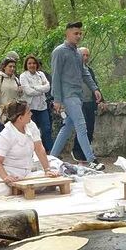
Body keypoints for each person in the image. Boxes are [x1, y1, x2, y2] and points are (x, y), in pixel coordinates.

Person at [49, 21, 105, 171]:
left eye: (80, 33)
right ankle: (92, 159)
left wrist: (95, 89)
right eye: (75, 33)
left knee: (67, 126)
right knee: (81, 125)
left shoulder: (78, 53)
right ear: (67, 34)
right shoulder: (59, 52)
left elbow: (85, 72)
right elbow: (56, 76)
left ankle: (51, 158)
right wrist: (57, 100)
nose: (78, 36)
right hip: (67, 95)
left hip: (78, 95)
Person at [0, 100, 60, 196]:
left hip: (27, 174)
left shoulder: (31, 125)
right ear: (20, 118)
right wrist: (6, 177)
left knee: (52, 181)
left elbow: (39, 148)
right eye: (28, 113)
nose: (31, 114)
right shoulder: (6, 134)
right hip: (9, 172)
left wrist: (47, 170)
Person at [72, 47, 104, 165]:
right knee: (81, 128)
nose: (85, 58)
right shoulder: (73, 70)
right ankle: (78, 152)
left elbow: (94, 85)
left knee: (90, 128)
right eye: (83, 55)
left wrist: (101, 100)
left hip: (90, 102)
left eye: (87, 55)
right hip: (78, 102)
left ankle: (87, 152)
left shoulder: (89, 70)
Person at [19, 55, 53, 152]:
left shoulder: (41, 74)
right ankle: (32, 151)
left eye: (34, 63)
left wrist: (35, 87)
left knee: (46, 129)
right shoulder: (23, 76)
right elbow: (28, 91)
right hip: (30, 108)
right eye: (29, 63)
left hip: (42, 107)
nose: (32, 65)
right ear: (26, 65)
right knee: (32, 131)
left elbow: (47, 87)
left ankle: (50, 151)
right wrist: (40, 88)